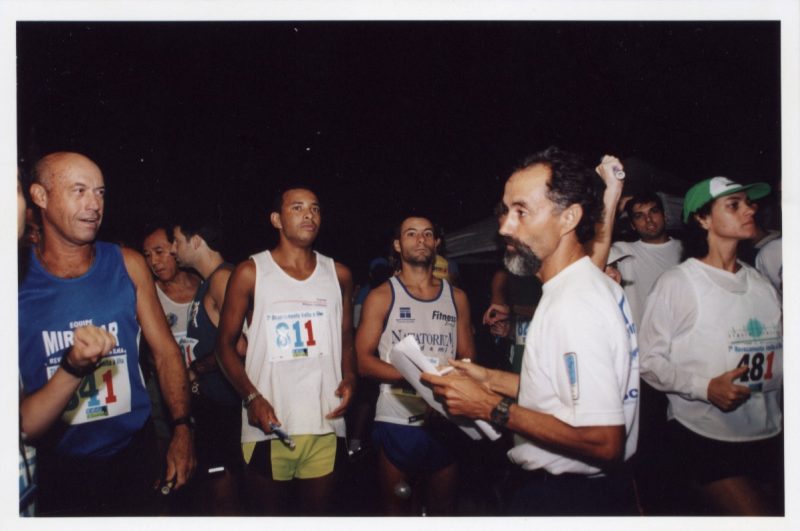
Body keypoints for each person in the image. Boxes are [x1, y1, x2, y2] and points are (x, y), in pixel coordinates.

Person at [423, 147, 640, 516]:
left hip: (568, 501)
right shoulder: (578, 285)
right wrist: (487, 378)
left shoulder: (574, 305)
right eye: (505, 211)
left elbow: (604, 441)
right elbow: (559, 394)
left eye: (521, 211)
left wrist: (488, 405)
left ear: (569, 217)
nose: (505, 226)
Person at [18, 152, 195, 516]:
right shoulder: (17, 280)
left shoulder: (127, 264)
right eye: (79, 190)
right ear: (39, 196)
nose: (94, 204)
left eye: (100, 192)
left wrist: (181, 428)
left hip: (134, 452)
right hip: (59, 466)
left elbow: (165, 353)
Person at [639, 176, 782, 515]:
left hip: (767, 431)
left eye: (748, 203)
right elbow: (648, 360)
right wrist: (705, 387)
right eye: (734, 205)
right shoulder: (679, 282)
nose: (750, 210)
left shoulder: (760, 283)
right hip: (705, 435)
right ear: (702, 220)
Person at [216, 186, 356, 515]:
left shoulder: (339, 274)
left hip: (326, 423)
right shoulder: (250, 272)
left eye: (315, 208)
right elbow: (223, 346)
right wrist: (252, 397)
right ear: (277, 219)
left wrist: (351, 378)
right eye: (298, 208)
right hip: (270, 425)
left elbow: (346, 340)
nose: (309, 215)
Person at [356, 216, 476, 515]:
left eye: (427, 234)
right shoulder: (382, 295)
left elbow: (468, 359)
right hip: (397, 418)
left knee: (443, 510)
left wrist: (448, 390)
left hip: (444, 419)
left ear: (436, 242)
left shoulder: (457, 298)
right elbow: (362, 361)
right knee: (396, 509)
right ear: (398, 245)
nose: (420, 240)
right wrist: (418, 378)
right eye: (411, 234)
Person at [171, 215, 242, 514]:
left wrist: (197, 368)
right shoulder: (207, 282)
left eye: (176, 240)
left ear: (196, 240)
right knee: (213, 482)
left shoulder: (224, 279)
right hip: (211, 404)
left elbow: (242, 346)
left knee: (223, 482)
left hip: (226, 406)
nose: (173, 249)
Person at [141, 226, 201, 470]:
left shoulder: (204, 285)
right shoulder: (148, 295)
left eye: (159, 251)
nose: (153, 261)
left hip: (208, 394)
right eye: (147, 255)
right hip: (167, 398)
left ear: (176, 249)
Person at [605, 191, 683, 327]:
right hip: (643, 343)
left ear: (664, 215)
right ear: (632, 225)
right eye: (639, 216)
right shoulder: (623, 250)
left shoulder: (686, 249)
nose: (648, 219)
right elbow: (594, 242)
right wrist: (615, 209)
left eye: (653, 211)